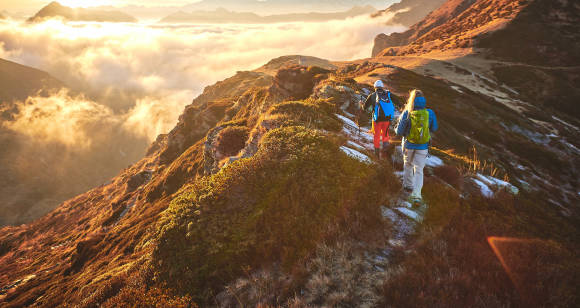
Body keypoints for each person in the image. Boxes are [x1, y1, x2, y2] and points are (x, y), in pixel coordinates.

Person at [395, 89, 438, 203]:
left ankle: (407, 186)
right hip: (423, 146)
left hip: (409, 145)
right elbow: (434, 128)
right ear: (423, 100)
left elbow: (399, 132)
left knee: (408, 165)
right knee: (419, 170)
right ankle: (417, 194)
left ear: (411, 100)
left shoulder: (407, 112)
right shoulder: (430, 113)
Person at [360, 80, 395, 158]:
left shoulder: (372, 95)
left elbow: (364, 108)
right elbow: (398, 102)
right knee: (385, 135)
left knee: (377, 136)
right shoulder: (388, 94)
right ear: (382, 87)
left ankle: (377, 155)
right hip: (387, 119)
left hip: (376, 120)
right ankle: (386, 153)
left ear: (375, 87)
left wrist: (361, 104)